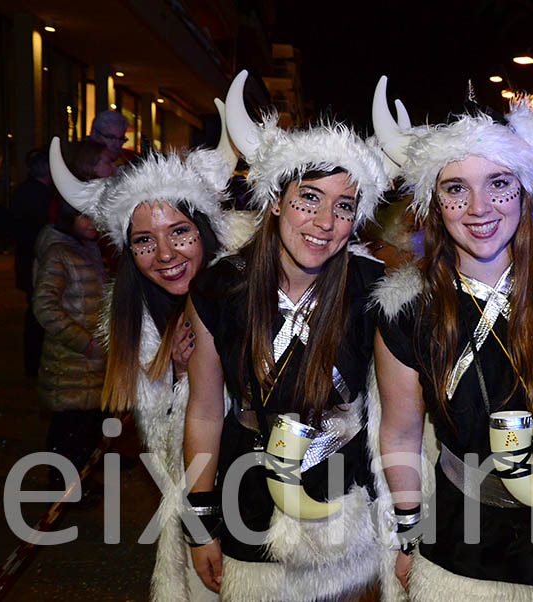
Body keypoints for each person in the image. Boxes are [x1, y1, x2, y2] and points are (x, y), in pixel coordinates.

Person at [371, 52, 533, 600]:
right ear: (434, 202)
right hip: (460, 544)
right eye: (456, 189)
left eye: (498, 184)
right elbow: (401, 431)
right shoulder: (406, 309)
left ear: (524, 192)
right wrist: (408, 533)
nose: (478, 208)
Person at [182, 70, 390, 602]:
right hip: (246, 495)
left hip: (345, 505)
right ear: (275, 200)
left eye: (344, 206)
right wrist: (200, 522)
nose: (325, 221)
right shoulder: (220, 287)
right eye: (309, 198)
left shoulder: (375, 290)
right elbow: (205, 411)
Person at [48, 100, 252, 601]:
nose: (164, 255)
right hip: (202, 518)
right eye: (144, 241)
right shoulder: (135, 324)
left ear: (202, 229)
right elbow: (163, 453)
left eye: (179, 232)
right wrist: (182, 378)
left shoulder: (251, 292)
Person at [32, 155, 107, 489]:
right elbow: (45, 306)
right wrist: (83, 341)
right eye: (85, 216)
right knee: (68, 430)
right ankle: (61, 486)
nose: (93, 223)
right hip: (70, 363)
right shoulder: (59, 253)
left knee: (84, 428)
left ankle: (80, 481)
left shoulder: (86, 250)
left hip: (88, 364)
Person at [13, 147, 54, 377]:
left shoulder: (24, 190)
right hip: (35, 261)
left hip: (27, 259)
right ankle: (34, 363)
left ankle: (32, 363)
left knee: (34, 310)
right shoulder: (41, 195)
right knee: (38, 314)